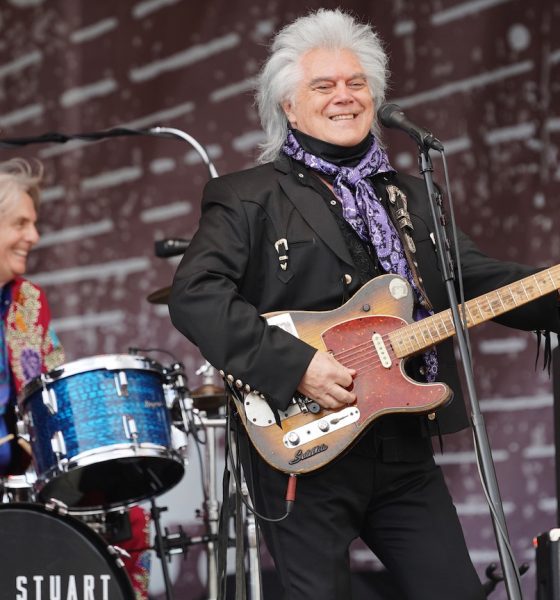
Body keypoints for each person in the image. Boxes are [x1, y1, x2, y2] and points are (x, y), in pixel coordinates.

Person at [168, 9, 560, 600]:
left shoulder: (410, 199)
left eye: (356, 84)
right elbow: (195, 296)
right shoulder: (247, 196)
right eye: (323, 86)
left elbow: (478, 281)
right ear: (289, 108)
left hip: (400, 438)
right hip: (303, 443)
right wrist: (297, 364)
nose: (344, 97)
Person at [0, 158, 150, 599]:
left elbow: (49, 384)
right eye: (20, 223)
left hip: (21, 470)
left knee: (126, 515)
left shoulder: (29, 299)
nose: (34, 236)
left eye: (34, 223)